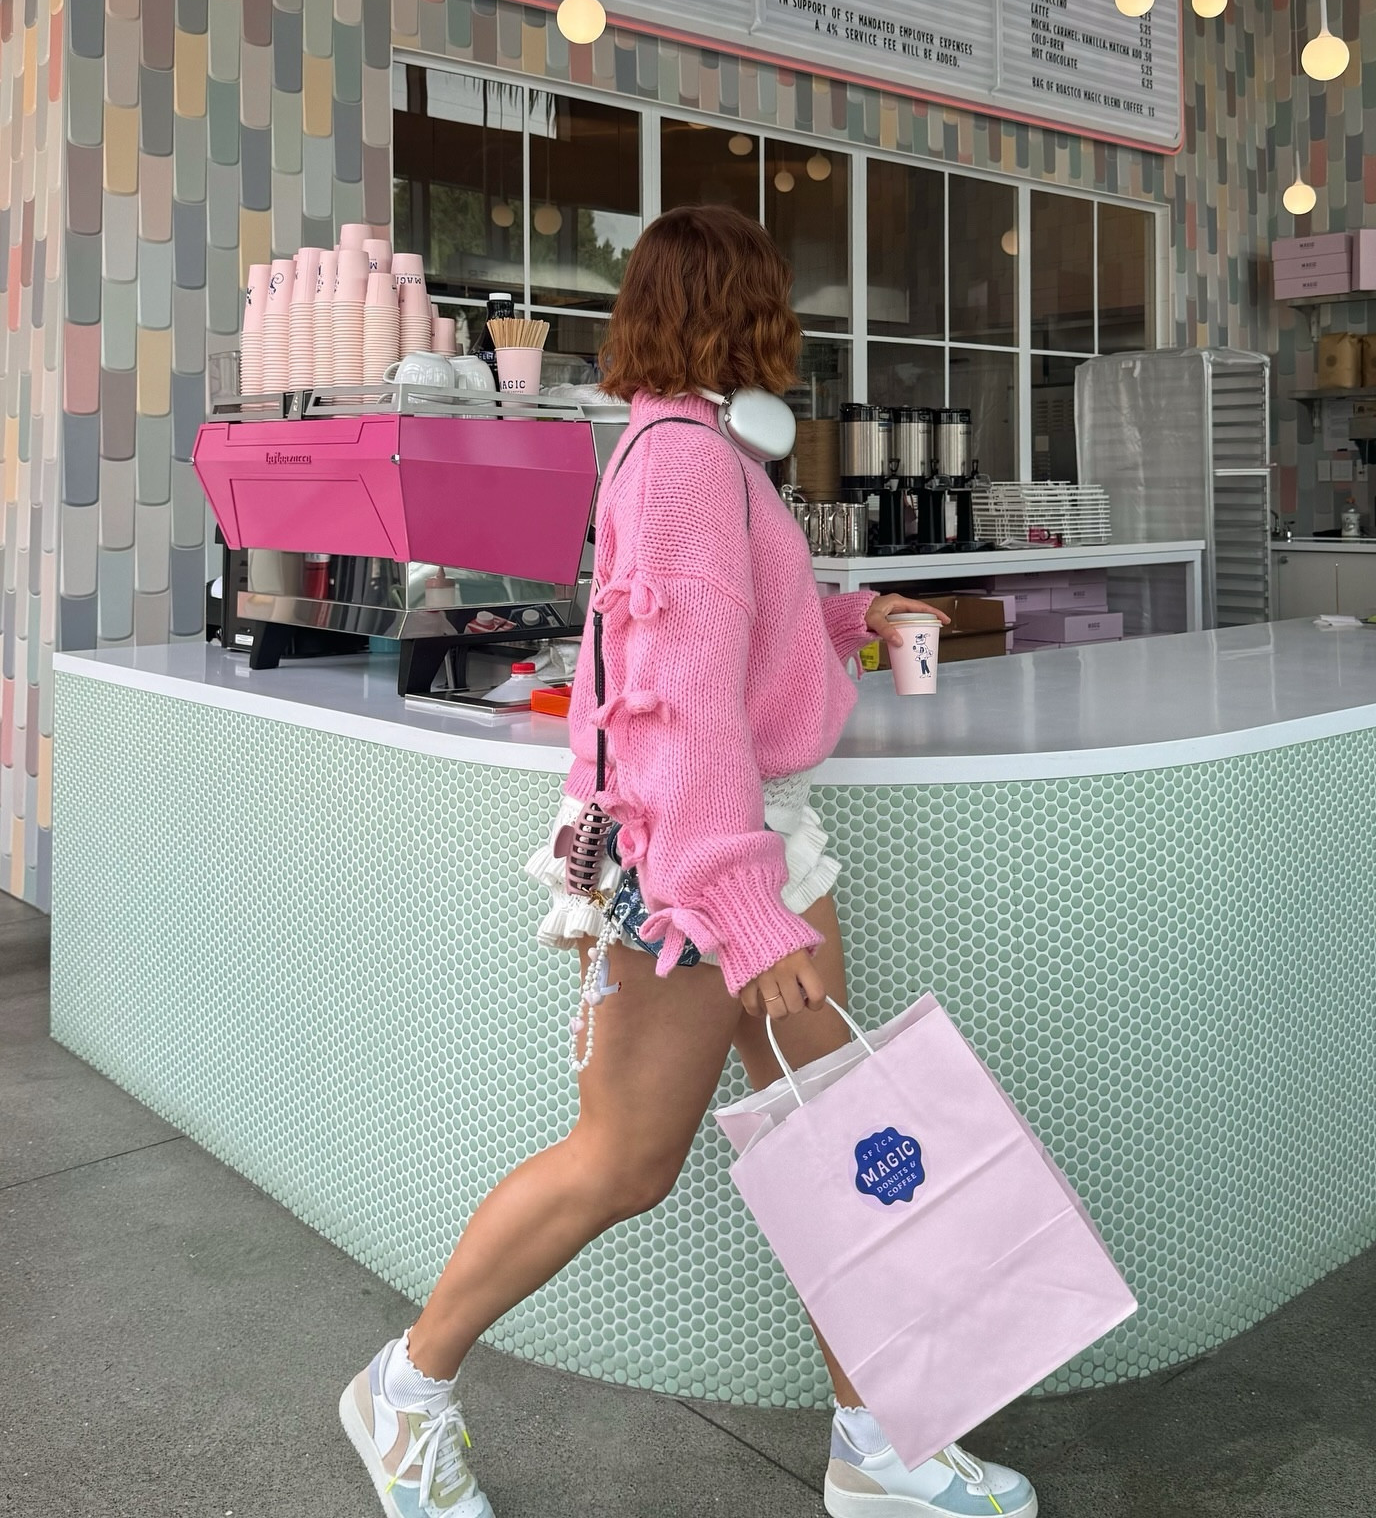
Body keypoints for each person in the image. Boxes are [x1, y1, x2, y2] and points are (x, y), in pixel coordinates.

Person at [339, 206, 1039, 1518]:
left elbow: (733, 630)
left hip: (747, 845)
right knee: (626, 1160)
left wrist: (850, 615)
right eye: (776, 303)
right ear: (739, 309)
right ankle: (404, 1387)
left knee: (839, 1148)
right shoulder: (683, 464)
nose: (792, 330)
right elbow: (677, 710)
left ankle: (880, 1445)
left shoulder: (700, 450)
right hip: (696, 869)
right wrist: (744, 911)